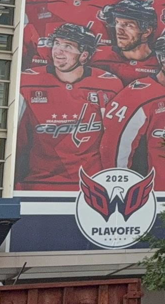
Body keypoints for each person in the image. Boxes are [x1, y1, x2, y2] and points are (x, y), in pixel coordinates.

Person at [15, 23, 124, 190]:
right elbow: (18, 142)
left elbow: (117, 138)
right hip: (38, 184)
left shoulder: (110, 84)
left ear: (84, 55)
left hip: (92, 185)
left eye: (67, 46)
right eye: (56, 44)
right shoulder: (27, 81)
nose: (58, 51)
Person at [100, 33, 165, 191]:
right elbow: (115, 149)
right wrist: (122, 188)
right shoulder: (136, 94)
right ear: (162, 60)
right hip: (156, 195)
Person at [92, 0, 160, 84]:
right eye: (117, 22)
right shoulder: (96, 56)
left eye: (128, 25)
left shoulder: (163, 64)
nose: (119, 31)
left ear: (146, 31)